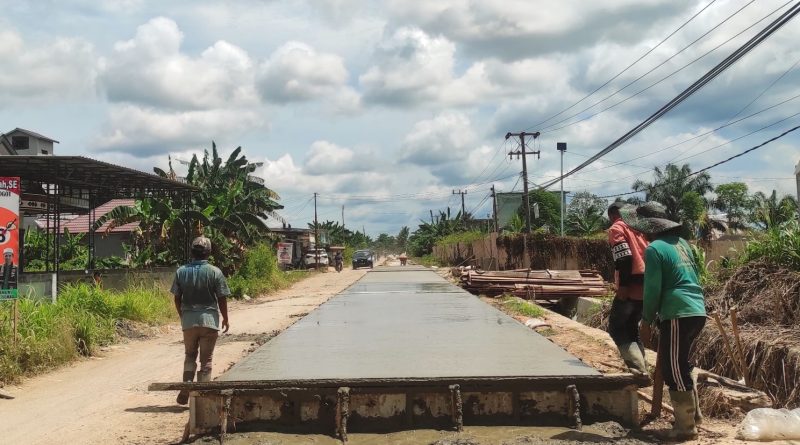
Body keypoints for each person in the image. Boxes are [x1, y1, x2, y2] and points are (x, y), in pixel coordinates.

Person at [622, 202, 706, 441]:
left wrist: (646, 318)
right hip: (696, 309)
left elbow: (653, 289)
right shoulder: (682, 244)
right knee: (681, 363)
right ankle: (694, 416)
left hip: (678, 312)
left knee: (673, 368)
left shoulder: (655, 249)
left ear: (649, 227)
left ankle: (685, 428)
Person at [171, 236, 231, 405]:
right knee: (207, 360)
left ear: (192, 252)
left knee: (190, 355)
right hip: (209, 321)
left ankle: (187, 385)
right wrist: (225, 318)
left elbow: (177, 298)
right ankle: (202, 397)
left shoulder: (181, 271)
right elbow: (222, 298)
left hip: (189, 321)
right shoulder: (215, 272)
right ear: (209, 252)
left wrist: (183, 316)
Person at [606, 202, 649, 376]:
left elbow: (624, 258)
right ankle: (643, 366)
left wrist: (623, 286)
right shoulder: (640, 230)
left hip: (630, 286)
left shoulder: (617, 228)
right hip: (646, 287)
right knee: (632, 328)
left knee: (617, 328)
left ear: (613, 216)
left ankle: (638, 369)